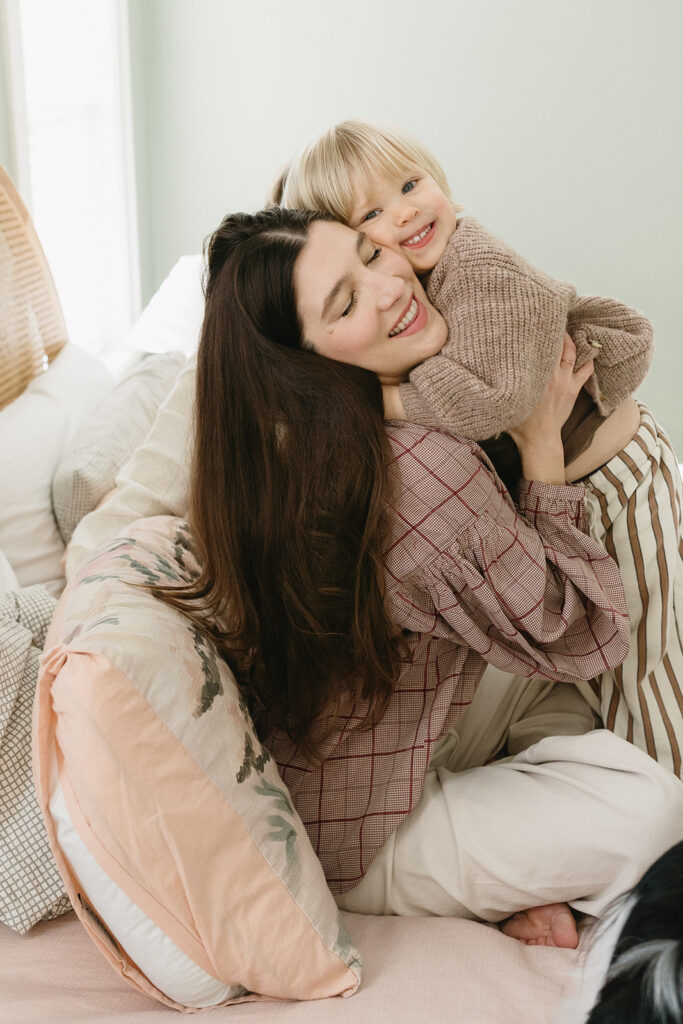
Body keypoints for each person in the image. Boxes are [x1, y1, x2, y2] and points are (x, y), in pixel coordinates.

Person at [147, 206, 683, 946]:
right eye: (344, 301)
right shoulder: (415, 469)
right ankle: (480, 893)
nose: (388, 286)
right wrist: (540, 453)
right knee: (656, 811)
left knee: (564, 706)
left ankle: (526, 872)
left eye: (370, 254)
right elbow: (585, 634)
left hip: (408, 723)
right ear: (307, 363)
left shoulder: (364, 417)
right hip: (359, 828)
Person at [272, 119, 683, 778]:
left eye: (410, 183)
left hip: (621, 481)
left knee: (648, 666)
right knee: (619, 673)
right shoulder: (409, 289)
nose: (404, 211)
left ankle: (668, 806)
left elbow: (492, 400)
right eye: (372, 213)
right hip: (587, 487)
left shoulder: (476, 261)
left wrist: (377, 402)